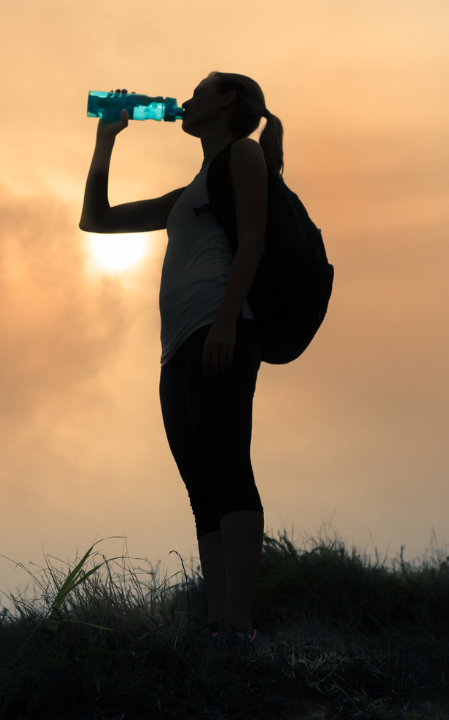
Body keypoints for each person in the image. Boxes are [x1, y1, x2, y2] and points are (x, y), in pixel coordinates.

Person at [79, 73, 284, 643]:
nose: (185, 101)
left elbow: (254, 241)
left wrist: (226, 320)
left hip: (220, 329)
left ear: (228, 101)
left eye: (199, 92)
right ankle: (218, 625)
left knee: (228, 468)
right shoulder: (191, 191)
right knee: (201, 484)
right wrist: (106, 140)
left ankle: (238, 622)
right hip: (178, 345)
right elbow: (96, 219)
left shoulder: (243, 155)